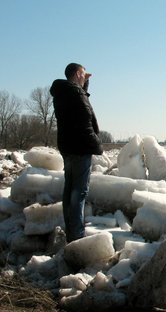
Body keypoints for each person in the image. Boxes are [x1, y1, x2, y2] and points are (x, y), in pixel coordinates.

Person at [50, 63, 103, 242]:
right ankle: (77, 235)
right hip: (80, 148)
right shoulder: (76, 95)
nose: (84, 76)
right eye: (82, 73)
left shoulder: (62, 92)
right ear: (77, 73)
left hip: (67, 146)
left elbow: (78, 105)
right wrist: (97, 145)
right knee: (79, 192)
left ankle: (71, 230)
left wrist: (84, 87)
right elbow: (85, 123)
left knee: (69, 189)